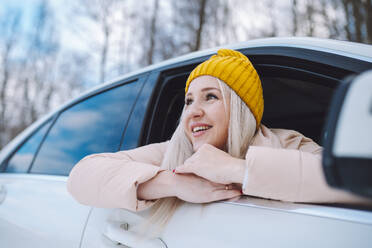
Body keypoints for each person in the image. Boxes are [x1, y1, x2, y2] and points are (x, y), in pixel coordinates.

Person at [67, 49, 368, 222]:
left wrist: (238, 169)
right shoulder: (174, 153)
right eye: (188, 101)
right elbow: (81, 176)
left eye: (210, 97)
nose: (193, 112)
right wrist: (172, 183)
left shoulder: (287, 144)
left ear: (240, 109)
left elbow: (356, 184)